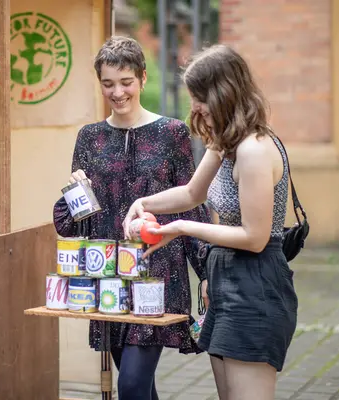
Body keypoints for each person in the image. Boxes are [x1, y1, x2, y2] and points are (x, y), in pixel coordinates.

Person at [123, 44, 298, 400]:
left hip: (256, 285)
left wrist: (182, 228)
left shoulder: (253, 150)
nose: (195, 108)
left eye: (199, 98)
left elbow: (255, 237)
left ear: (223, 92)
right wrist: (140, 202)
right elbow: (191, 194)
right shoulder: (226, 141)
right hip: (225, 280)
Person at [53, 36, 210, 400]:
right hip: (108, 275)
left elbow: (190, 202)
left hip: (159, 274)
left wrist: (205, 271)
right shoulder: (88, 138)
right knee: (139, 387)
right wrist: (74, 191)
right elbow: (70, 223)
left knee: (133, 386)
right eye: (108, 84)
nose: (117, 92)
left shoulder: (172, 133)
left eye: (125, 82)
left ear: (142, 78)